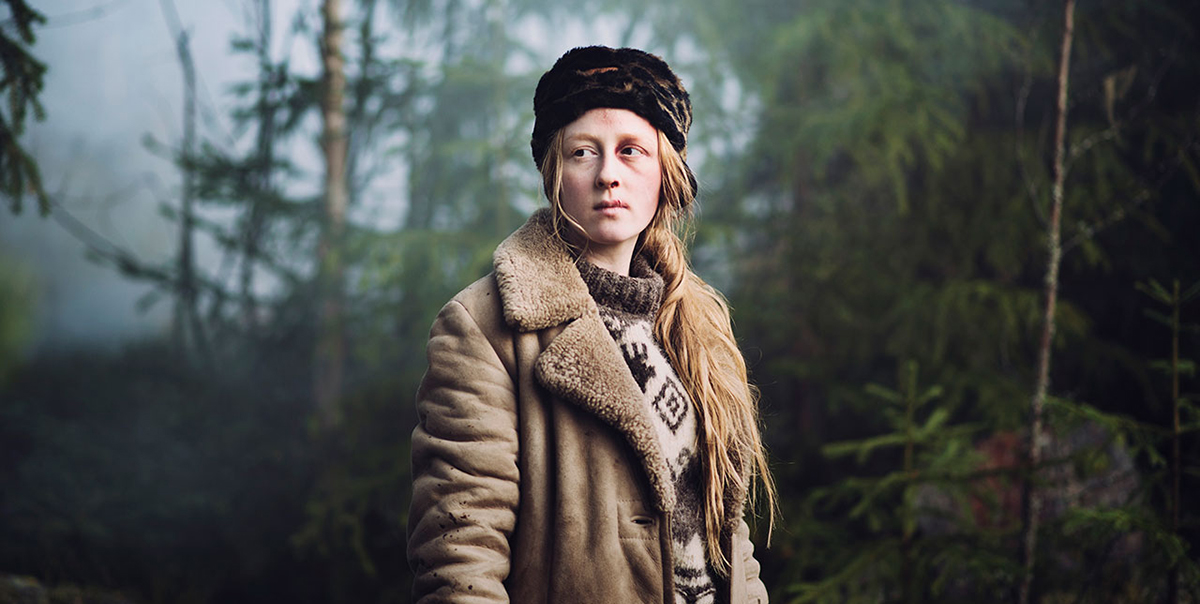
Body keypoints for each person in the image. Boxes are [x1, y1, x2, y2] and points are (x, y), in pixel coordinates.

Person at [407, 45, 776, 604]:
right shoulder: (483, 328)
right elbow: (460, 555)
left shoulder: (698, 327)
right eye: (584, 152)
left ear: (665, 173)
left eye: (631, 151)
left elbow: (728, 532)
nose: (609, 174)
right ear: (555, 172)